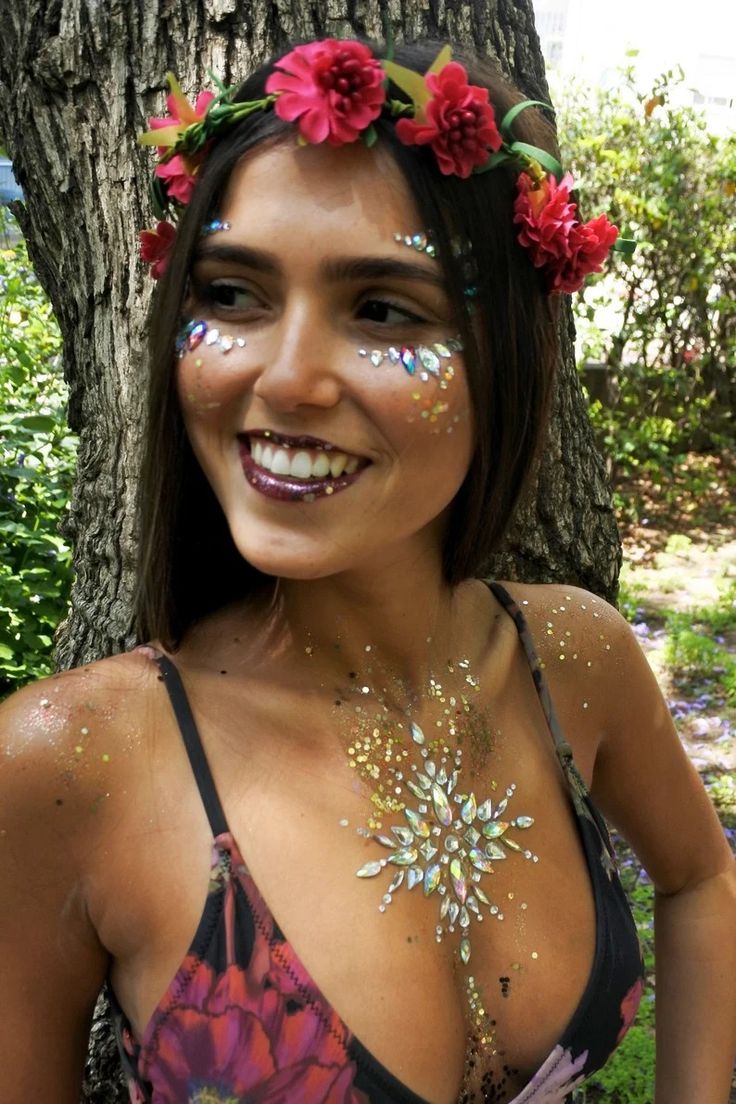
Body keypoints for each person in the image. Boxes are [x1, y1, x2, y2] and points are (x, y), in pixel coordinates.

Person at [1, 35, 734, 1104]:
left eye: (384, 309)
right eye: (233, 293)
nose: (287, 378)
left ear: (510, 358)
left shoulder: (573, 656)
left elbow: (703, 874)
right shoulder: (70, 766)